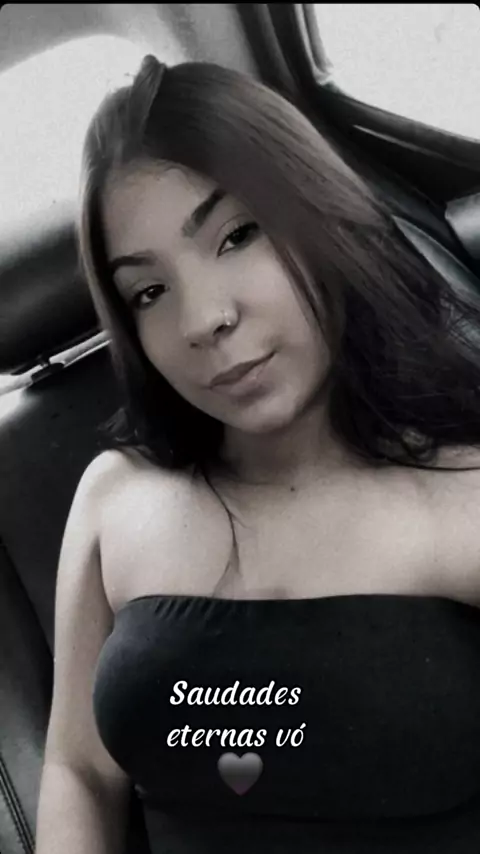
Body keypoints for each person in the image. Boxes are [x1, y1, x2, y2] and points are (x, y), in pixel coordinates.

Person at [35, 54, 480, 854]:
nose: (203, 319)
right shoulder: (116, 497)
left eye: (237, 236)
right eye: (148, 291)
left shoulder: (462, 497)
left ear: (320, 212)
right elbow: (80, 770)